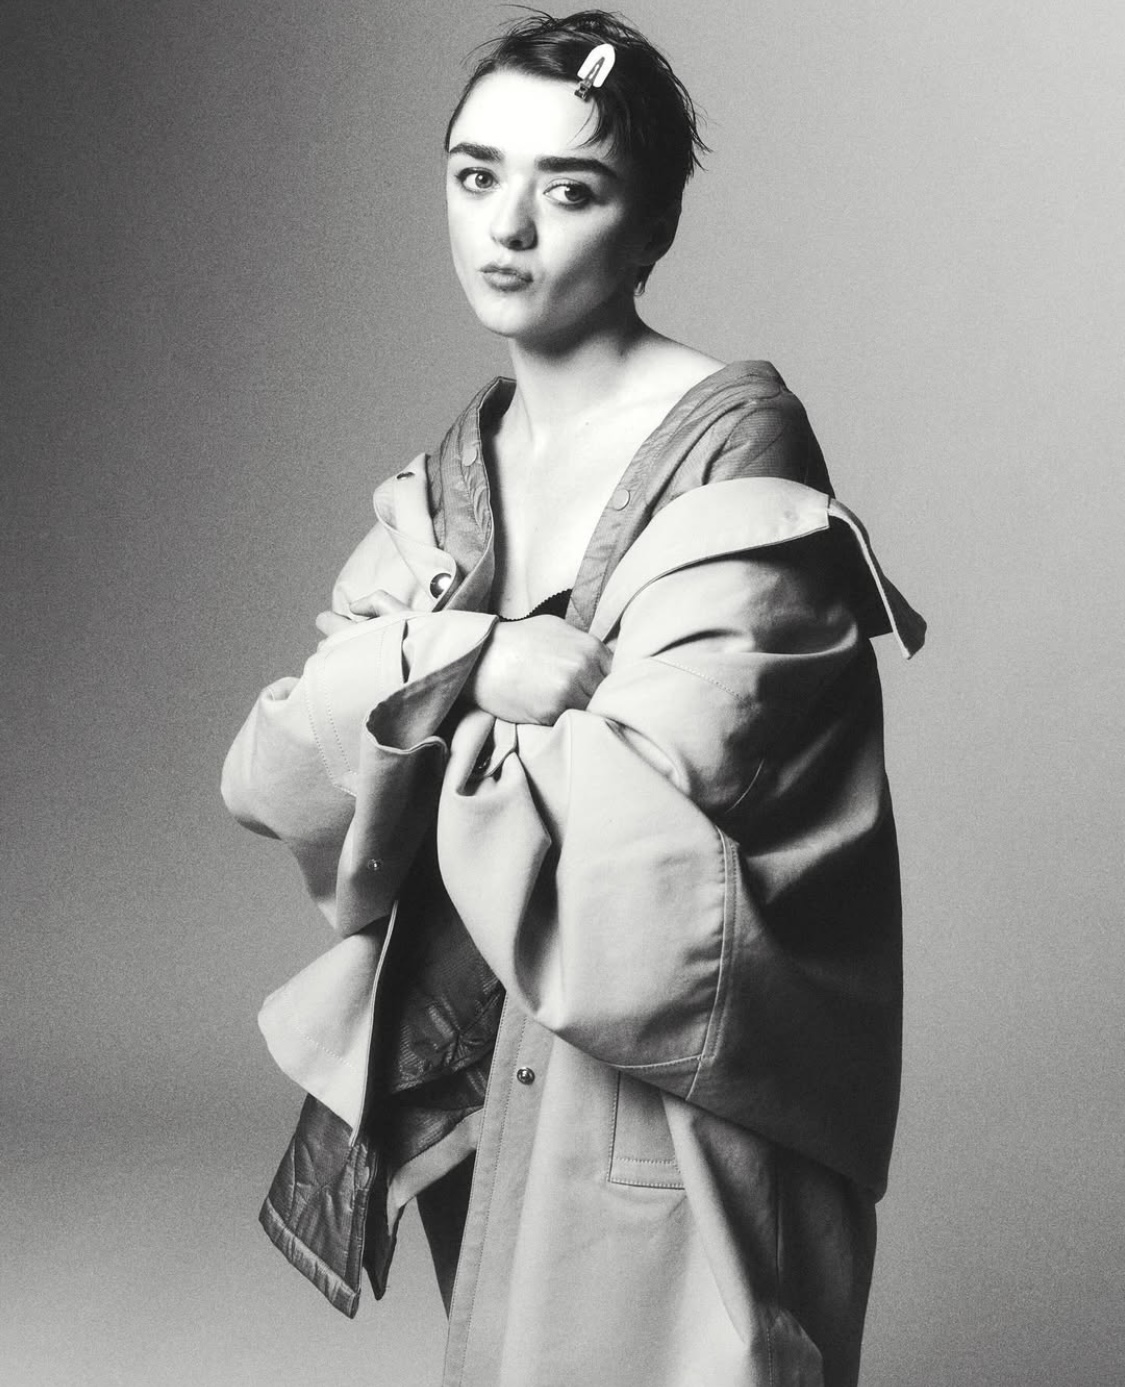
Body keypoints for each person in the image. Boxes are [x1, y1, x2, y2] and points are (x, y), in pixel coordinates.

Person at [221, 11, 925, 1386]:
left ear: (652, 224)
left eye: (572, 188)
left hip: (665, 1085)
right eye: (476, 175)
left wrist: (405, 689)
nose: (508, 226)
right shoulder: (451, 473)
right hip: (489, 1069)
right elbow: (276, 771)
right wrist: (477, 661)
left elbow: (645, 808)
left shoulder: (738, 449)